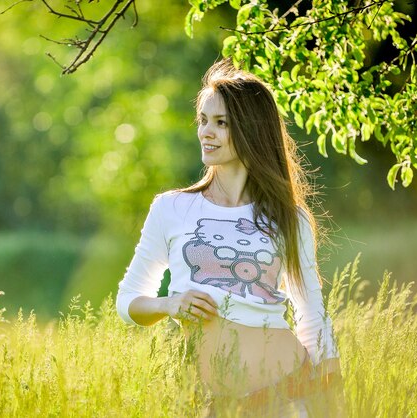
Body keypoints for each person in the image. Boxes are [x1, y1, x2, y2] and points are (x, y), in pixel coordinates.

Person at [116, 59, 343, 417]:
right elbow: (128, 300)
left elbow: (311, 313)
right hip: (215, 402)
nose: (207, 132)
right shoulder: (172, 208)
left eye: (221, 123)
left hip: (286, 390)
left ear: (252, 130)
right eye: (203, 121)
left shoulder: (288, 216)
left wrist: (333, 403)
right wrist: (169, 304)